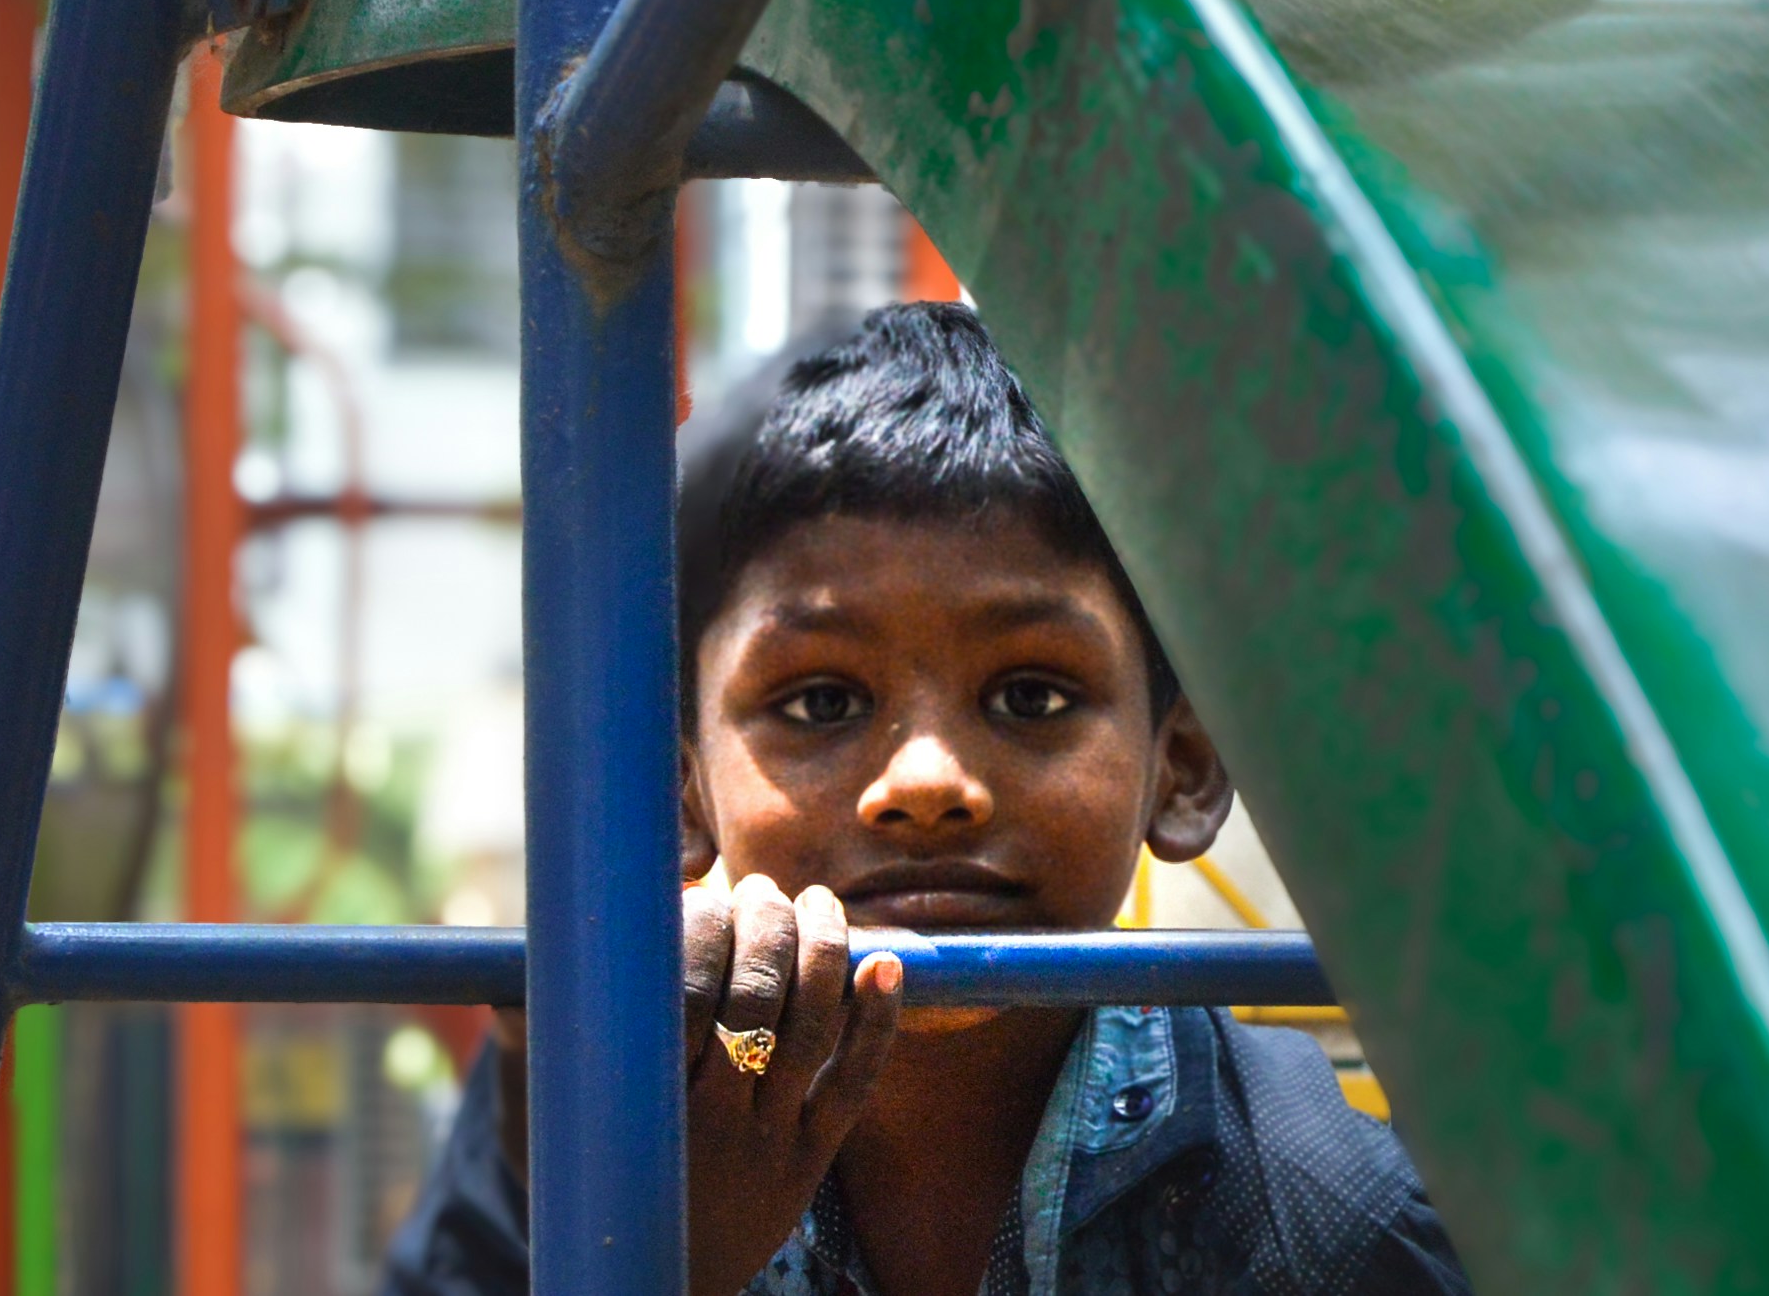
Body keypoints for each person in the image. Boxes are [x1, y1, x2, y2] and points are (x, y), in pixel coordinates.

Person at [381, 301, 1468, 1296]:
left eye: (1031, 693)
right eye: (819, 702)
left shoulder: (1318, 1216)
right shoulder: (582, 1128)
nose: (927, 783)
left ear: (1181, 768)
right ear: (675, 790)